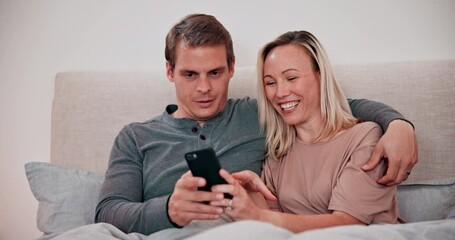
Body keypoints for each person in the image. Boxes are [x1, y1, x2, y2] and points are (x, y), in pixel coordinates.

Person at [95, 14, 417, 235]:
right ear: (170, 71)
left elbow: (329, 107)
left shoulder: (262, 114)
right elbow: (107, 213)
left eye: (215, 73)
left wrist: (398, 124)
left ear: (233, 67)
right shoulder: (135, 138)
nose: (204, 88)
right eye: (190, 75)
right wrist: (169, 210)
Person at [210, 30, 401, 232]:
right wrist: (252, 193)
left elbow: (348, 224)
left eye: (291, 78)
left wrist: (258, 216)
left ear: (320, 76)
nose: (280, 93)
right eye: (270, 83)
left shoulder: (365, 137)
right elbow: (274, 226)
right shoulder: (279, 152)